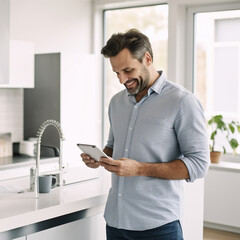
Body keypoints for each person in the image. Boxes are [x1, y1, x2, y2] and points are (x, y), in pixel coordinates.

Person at [81, 29, 209, 240]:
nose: (122, 80)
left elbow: (199, 164)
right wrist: (99, 158)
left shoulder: (182, 101)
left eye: (128, 70)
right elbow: (113, 145)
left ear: (147, 58)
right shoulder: (117, 102)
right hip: (115, 222)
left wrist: (139, 169)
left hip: (158, 226)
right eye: (116, 73)